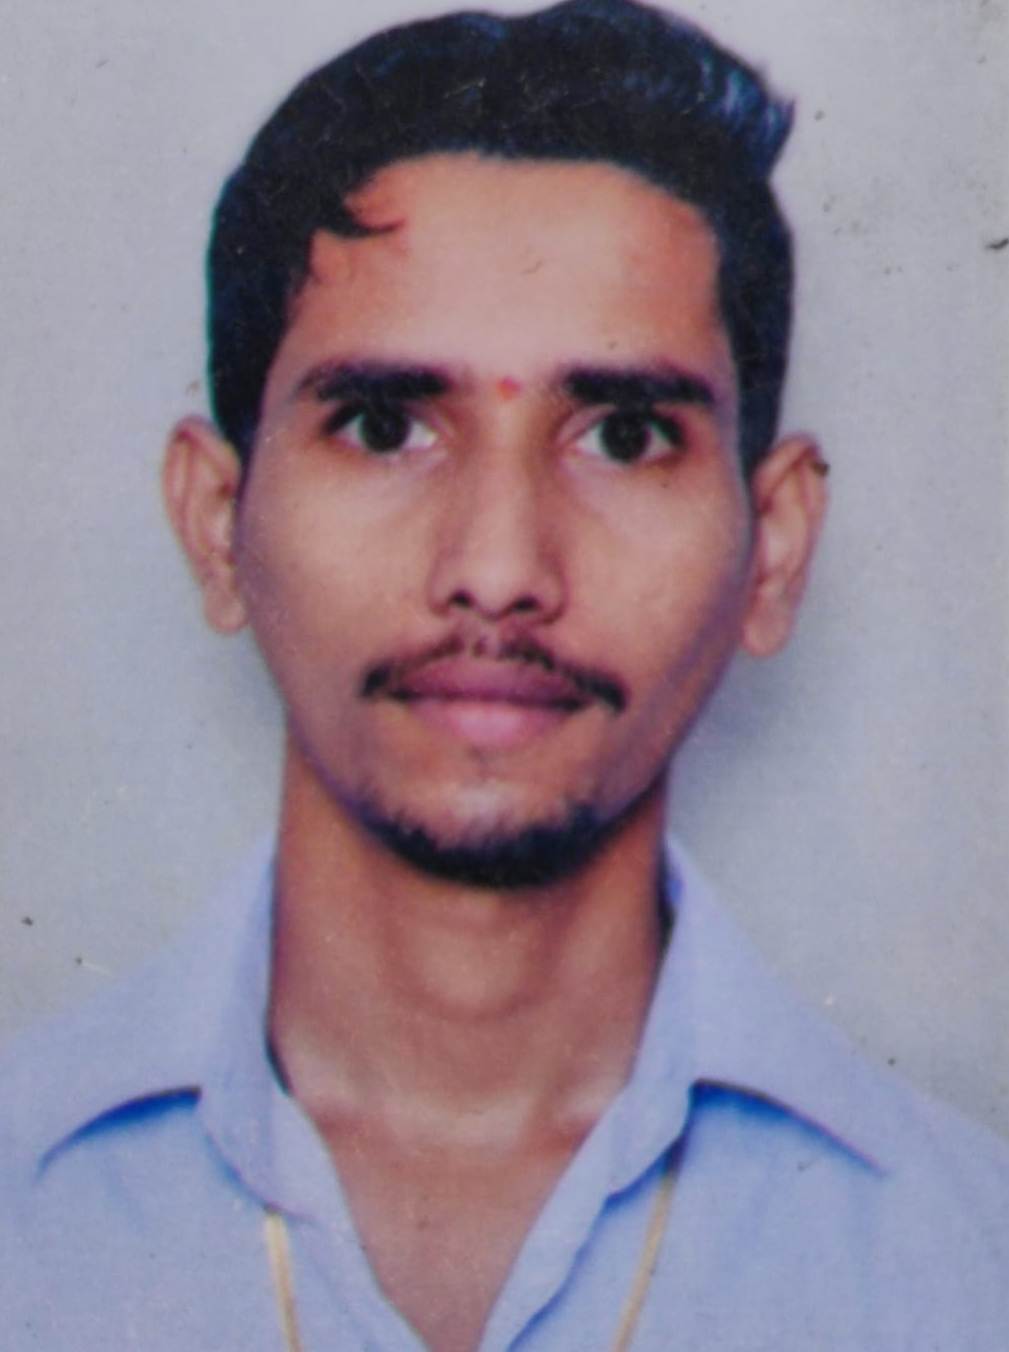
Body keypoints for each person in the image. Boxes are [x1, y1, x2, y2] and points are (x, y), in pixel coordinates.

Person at [2, 2, 1007, 1349]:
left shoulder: (969, 1266)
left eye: (625, 436)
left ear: (772, 547)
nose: (496, 568)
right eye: (383, 425)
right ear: (215, 522)